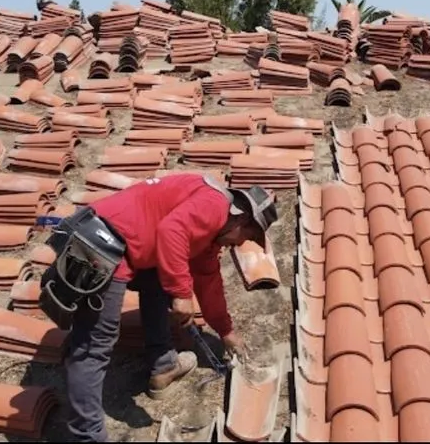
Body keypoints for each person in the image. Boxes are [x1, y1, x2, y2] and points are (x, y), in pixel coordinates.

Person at [63, 172, 278, 442]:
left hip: (122, 243)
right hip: (98, 244)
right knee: (93, 347)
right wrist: (181, 293)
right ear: (241, 219)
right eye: (247, 236)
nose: (241, 244)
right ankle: (87, 436)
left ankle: (163, 366)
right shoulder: (214, 206)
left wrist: (226, 331)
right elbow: (171, 231)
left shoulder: (211, 235)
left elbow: (208, 283)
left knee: (159, 277)